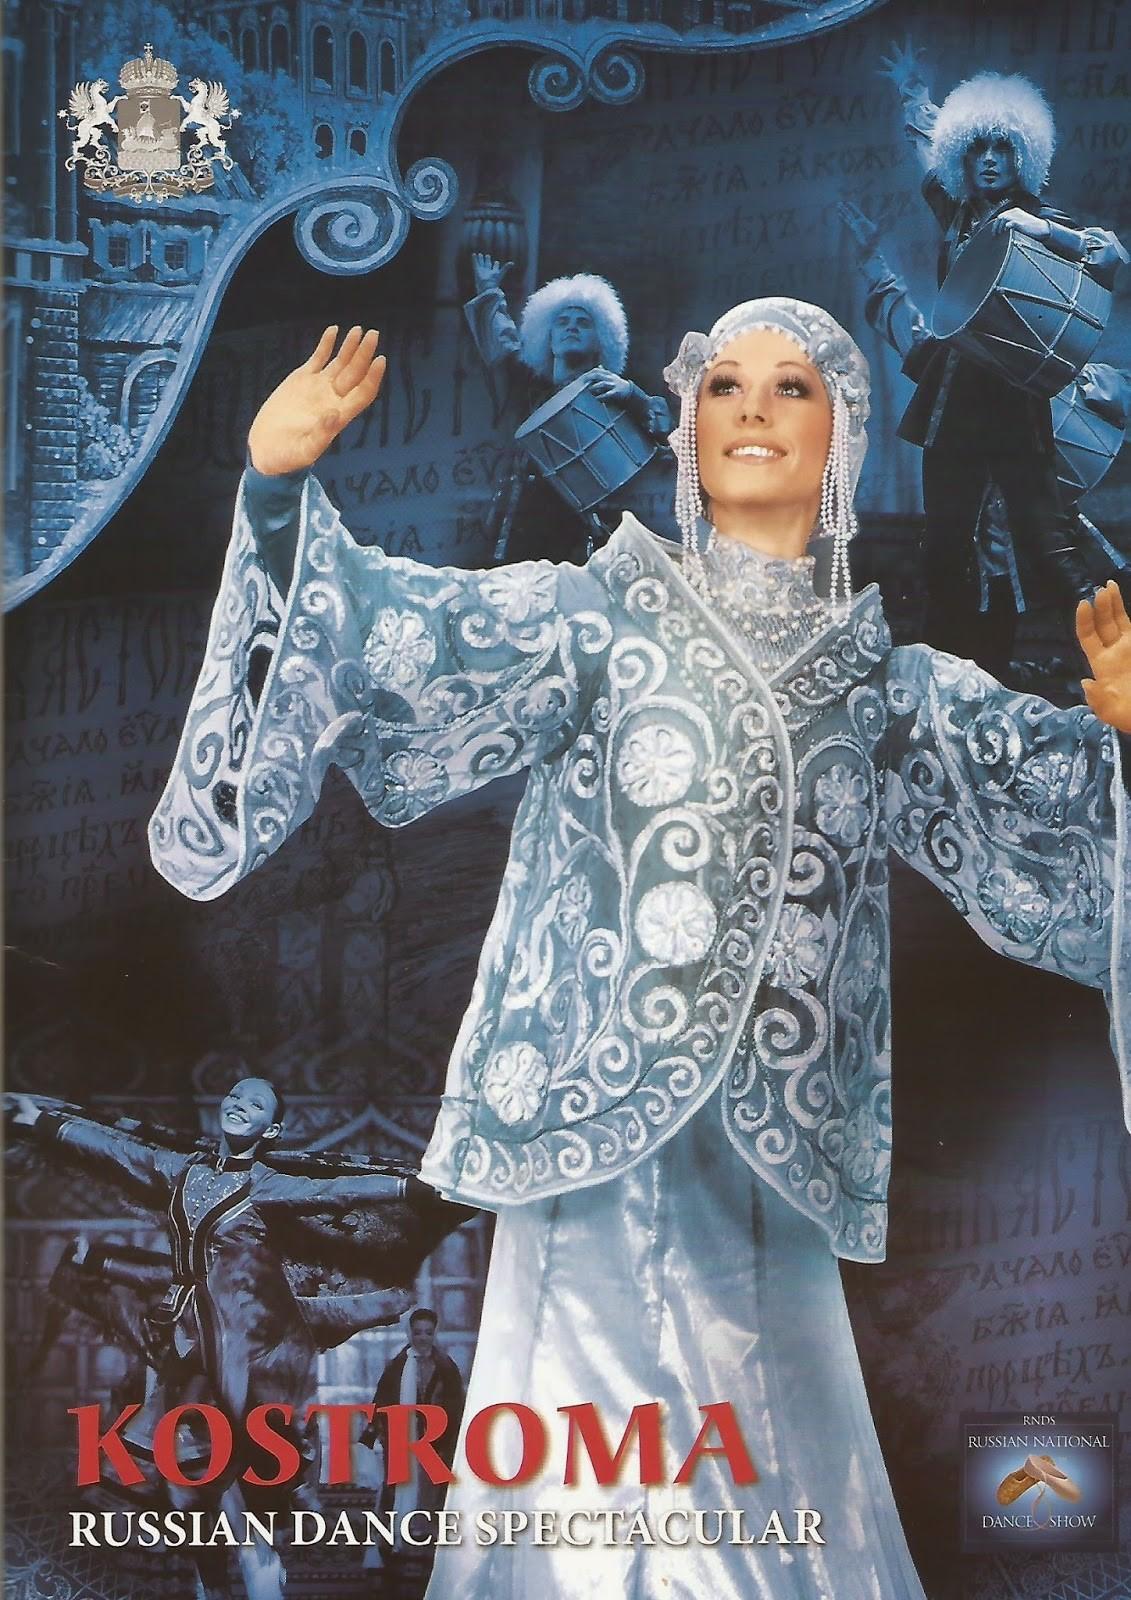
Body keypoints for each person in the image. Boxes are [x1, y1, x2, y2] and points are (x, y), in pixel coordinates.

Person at [149, 303, 1131, 1597]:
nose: (751, 407)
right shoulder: (597, 621)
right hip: (588, 1129)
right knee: (577, 1472)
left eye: (790, 386)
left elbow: (1053, 815)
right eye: (722, 384)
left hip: (774, 1151)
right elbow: (392, 633)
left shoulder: (881, 685)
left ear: (841, 435)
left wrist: (1119, 741)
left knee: (776, 1459)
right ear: (686, 429)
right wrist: (278, 493)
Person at [7, 1078, 460, 1600]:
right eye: (236, 1097)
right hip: (182, 1327)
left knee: (227, 1444)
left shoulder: (266, 1184)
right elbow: (118, 1149)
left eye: (255, 1104)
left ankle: (256, 1557)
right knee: (192, 1464)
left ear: (272, 1130)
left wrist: (415, 1190)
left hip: (243, 1337)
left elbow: (334, 1189)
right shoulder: (182, 1169)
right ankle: (227, 1571)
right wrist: (40, 1121)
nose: (240, 1105)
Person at [877, 45, 1127, 667]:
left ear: (1024, 156)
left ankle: (1119, 662)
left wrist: (1050, 233)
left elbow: (1107, 257)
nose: (989, 159)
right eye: (977, 148)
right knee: (946, 540)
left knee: (1047, 537)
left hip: (1015, 403)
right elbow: (925, 150)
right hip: (954, 400)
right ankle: (955, 669)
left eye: (1003, 148)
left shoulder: (1041, 217)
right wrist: (913, 93)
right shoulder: (956, 211)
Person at [840, 197, 1131, 684]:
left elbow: (1107, 255)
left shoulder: (1048, 352)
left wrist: (1045, 231)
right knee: (963, 647)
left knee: (1085, 615)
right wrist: (874, 262)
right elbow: (908, 331)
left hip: (1040, 548)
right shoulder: (956, 360)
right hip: (979, 561)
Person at [464, 257, 671, 562]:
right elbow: (503, 343)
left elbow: (664, 450)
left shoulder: (615, 391)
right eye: (562, 322)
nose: (571, 327)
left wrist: (633, 396)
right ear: (548, 338)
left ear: (601, 340)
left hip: (586, 542)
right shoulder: (528, 388)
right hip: (522, 531)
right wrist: (489, 289)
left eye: (583, 322)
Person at [359, 1307, 465, 1569]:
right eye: (418, 1332)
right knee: (395, 1492)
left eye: (428, 1332)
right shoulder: (397, 1366)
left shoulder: (446, 1367)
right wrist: (371, 1436)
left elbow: (455, 1407)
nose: (423, 1338)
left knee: (430, 1497)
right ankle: (393, 1550)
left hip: (434, 1445)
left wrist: (447, 1440)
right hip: (400, 1442)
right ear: (410, 1333)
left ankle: (425, 1554)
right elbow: (381, 1400)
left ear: (434, 1333)